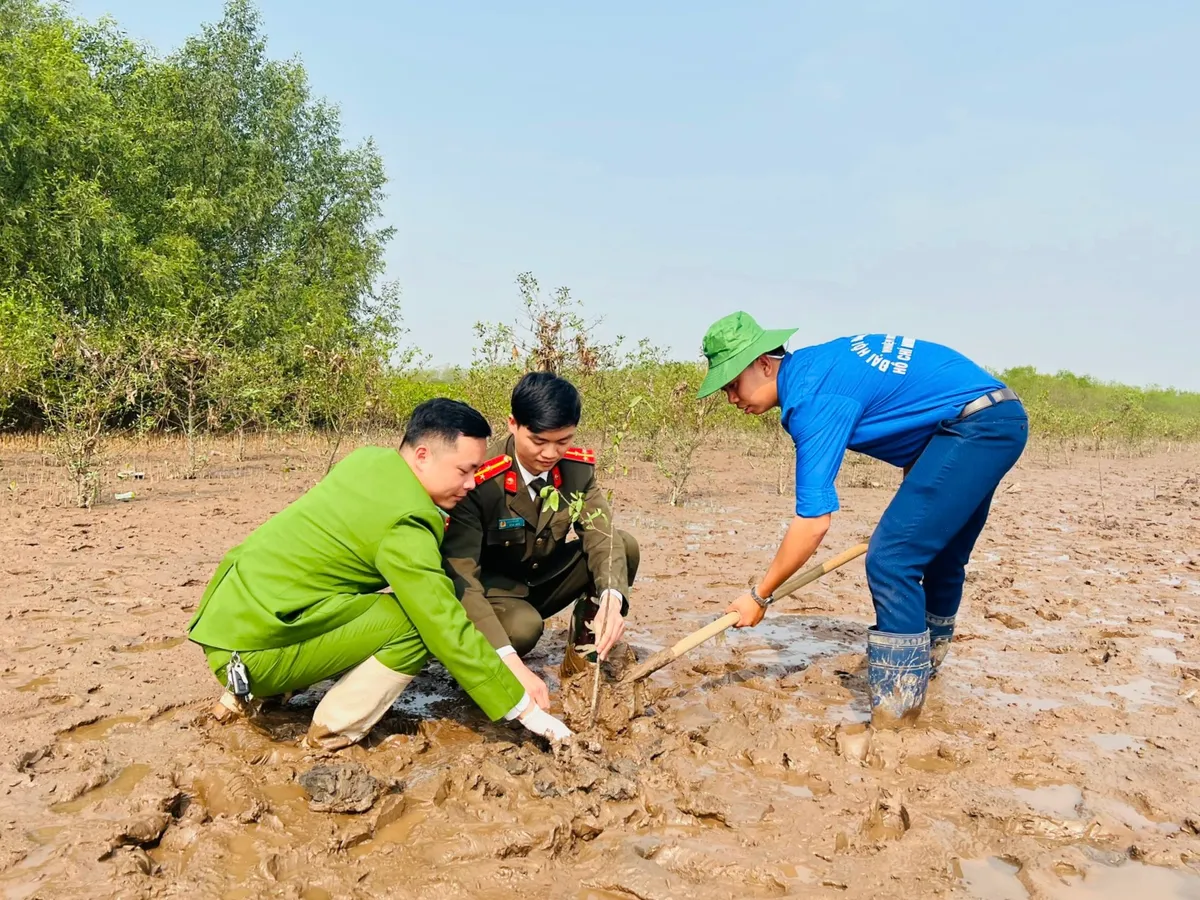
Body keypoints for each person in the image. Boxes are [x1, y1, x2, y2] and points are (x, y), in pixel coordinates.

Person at [696, 312, 1028, 728]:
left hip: (976, 428)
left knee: (891, 561)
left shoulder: (812, 399)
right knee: (940, 554)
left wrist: (759, 596)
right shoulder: (817, 365)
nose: (731, 398)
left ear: (765, 363)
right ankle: (923, 668)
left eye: (732, 384)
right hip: (995, 418)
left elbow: (813, 523)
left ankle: (897, 716)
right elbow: (920, 408)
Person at [186, 398, 573, 750]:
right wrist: (523, 709)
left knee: (381, 604)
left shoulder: (369, 461)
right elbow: (443, 622)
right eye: (464, 471)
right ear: (422, 455)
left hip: (232, 621)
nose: (472, 484)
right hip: (253, 651)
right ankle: (331, 733)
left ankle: (261, 692)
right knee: (415, 625)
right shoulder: (407, 520)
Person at [442, 372, 639, 707]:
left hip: (542, 581)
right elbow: (461, 576)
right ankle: (482, 672)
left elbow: (600, 535)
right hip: (494, 594)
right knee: (522, 627)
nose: (551, 453)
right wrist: (511, 660)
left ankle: (583, 662)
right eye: (538, 441)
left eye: (563, 441)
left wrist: (610, 600)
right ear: (513, 424)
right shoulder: (480, 479)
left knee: (623, 545)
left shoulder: (577, 470)